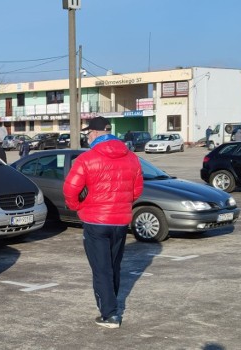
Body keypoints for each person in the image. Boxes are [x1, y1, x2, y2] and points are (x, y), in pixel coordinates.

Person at [62, 117, 143, 329]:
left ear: (97, 133)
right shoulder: (132, 158)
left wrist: (76, 206)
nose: (87, 137)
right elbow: (137, 190)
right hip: (120, 221)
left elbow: (70, 189)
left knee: (101, 269)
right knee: (113, 266)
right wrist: (122, 203)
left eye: (89, 133)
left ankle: (109, 314)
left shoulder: (87, 159)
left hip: (96, 220)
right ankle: (112, 305)